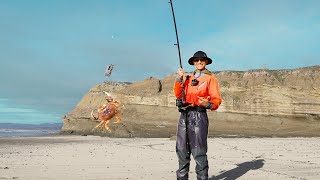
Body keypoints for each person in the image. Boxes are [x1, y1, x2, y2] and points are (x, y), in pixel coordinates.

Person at [173, 51, 222, 180]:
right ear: (193, 62)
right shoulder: (188, 78)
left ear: (206, 62)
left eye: (202, 60)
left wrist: (208, 104)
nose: (199, 62)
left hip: (199, 116)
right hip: (184, 115)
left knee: (199, 151)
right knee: (181, 150)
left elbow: (216, 100)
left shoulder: (211, 79)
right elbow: (178, 94)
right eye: (197, 60)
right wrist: (179, 79)